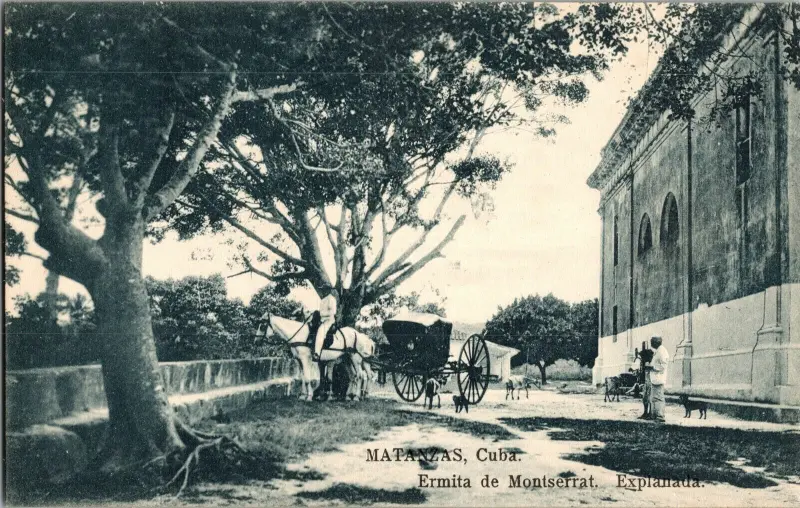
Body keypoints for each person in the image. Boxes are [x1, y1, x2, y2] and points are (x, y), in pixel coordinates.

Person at [647, 336, 670, 423]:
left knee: (659, 398)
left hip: (659, 378)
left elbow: (664, 365)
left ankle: (660, 416)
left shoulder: (662, 351)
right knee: (653, 398)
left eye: (652, 342)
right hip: (655, 379)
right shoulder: (658, 351)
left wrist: (652, 368)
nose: (651, 344)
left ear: (657, 342)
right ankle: (654, 415)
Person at [313, 288, 338, 362]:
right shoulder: (323, 300)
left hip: (329, 320)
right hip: (322, 320)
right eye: (323, 289)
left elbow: (333, 312)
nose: (323, 291)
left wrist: (321, 314)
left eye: (325, 289)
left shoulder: (331, 299)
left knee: (320, 332)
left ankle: (317, 353)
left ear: (329, 290)